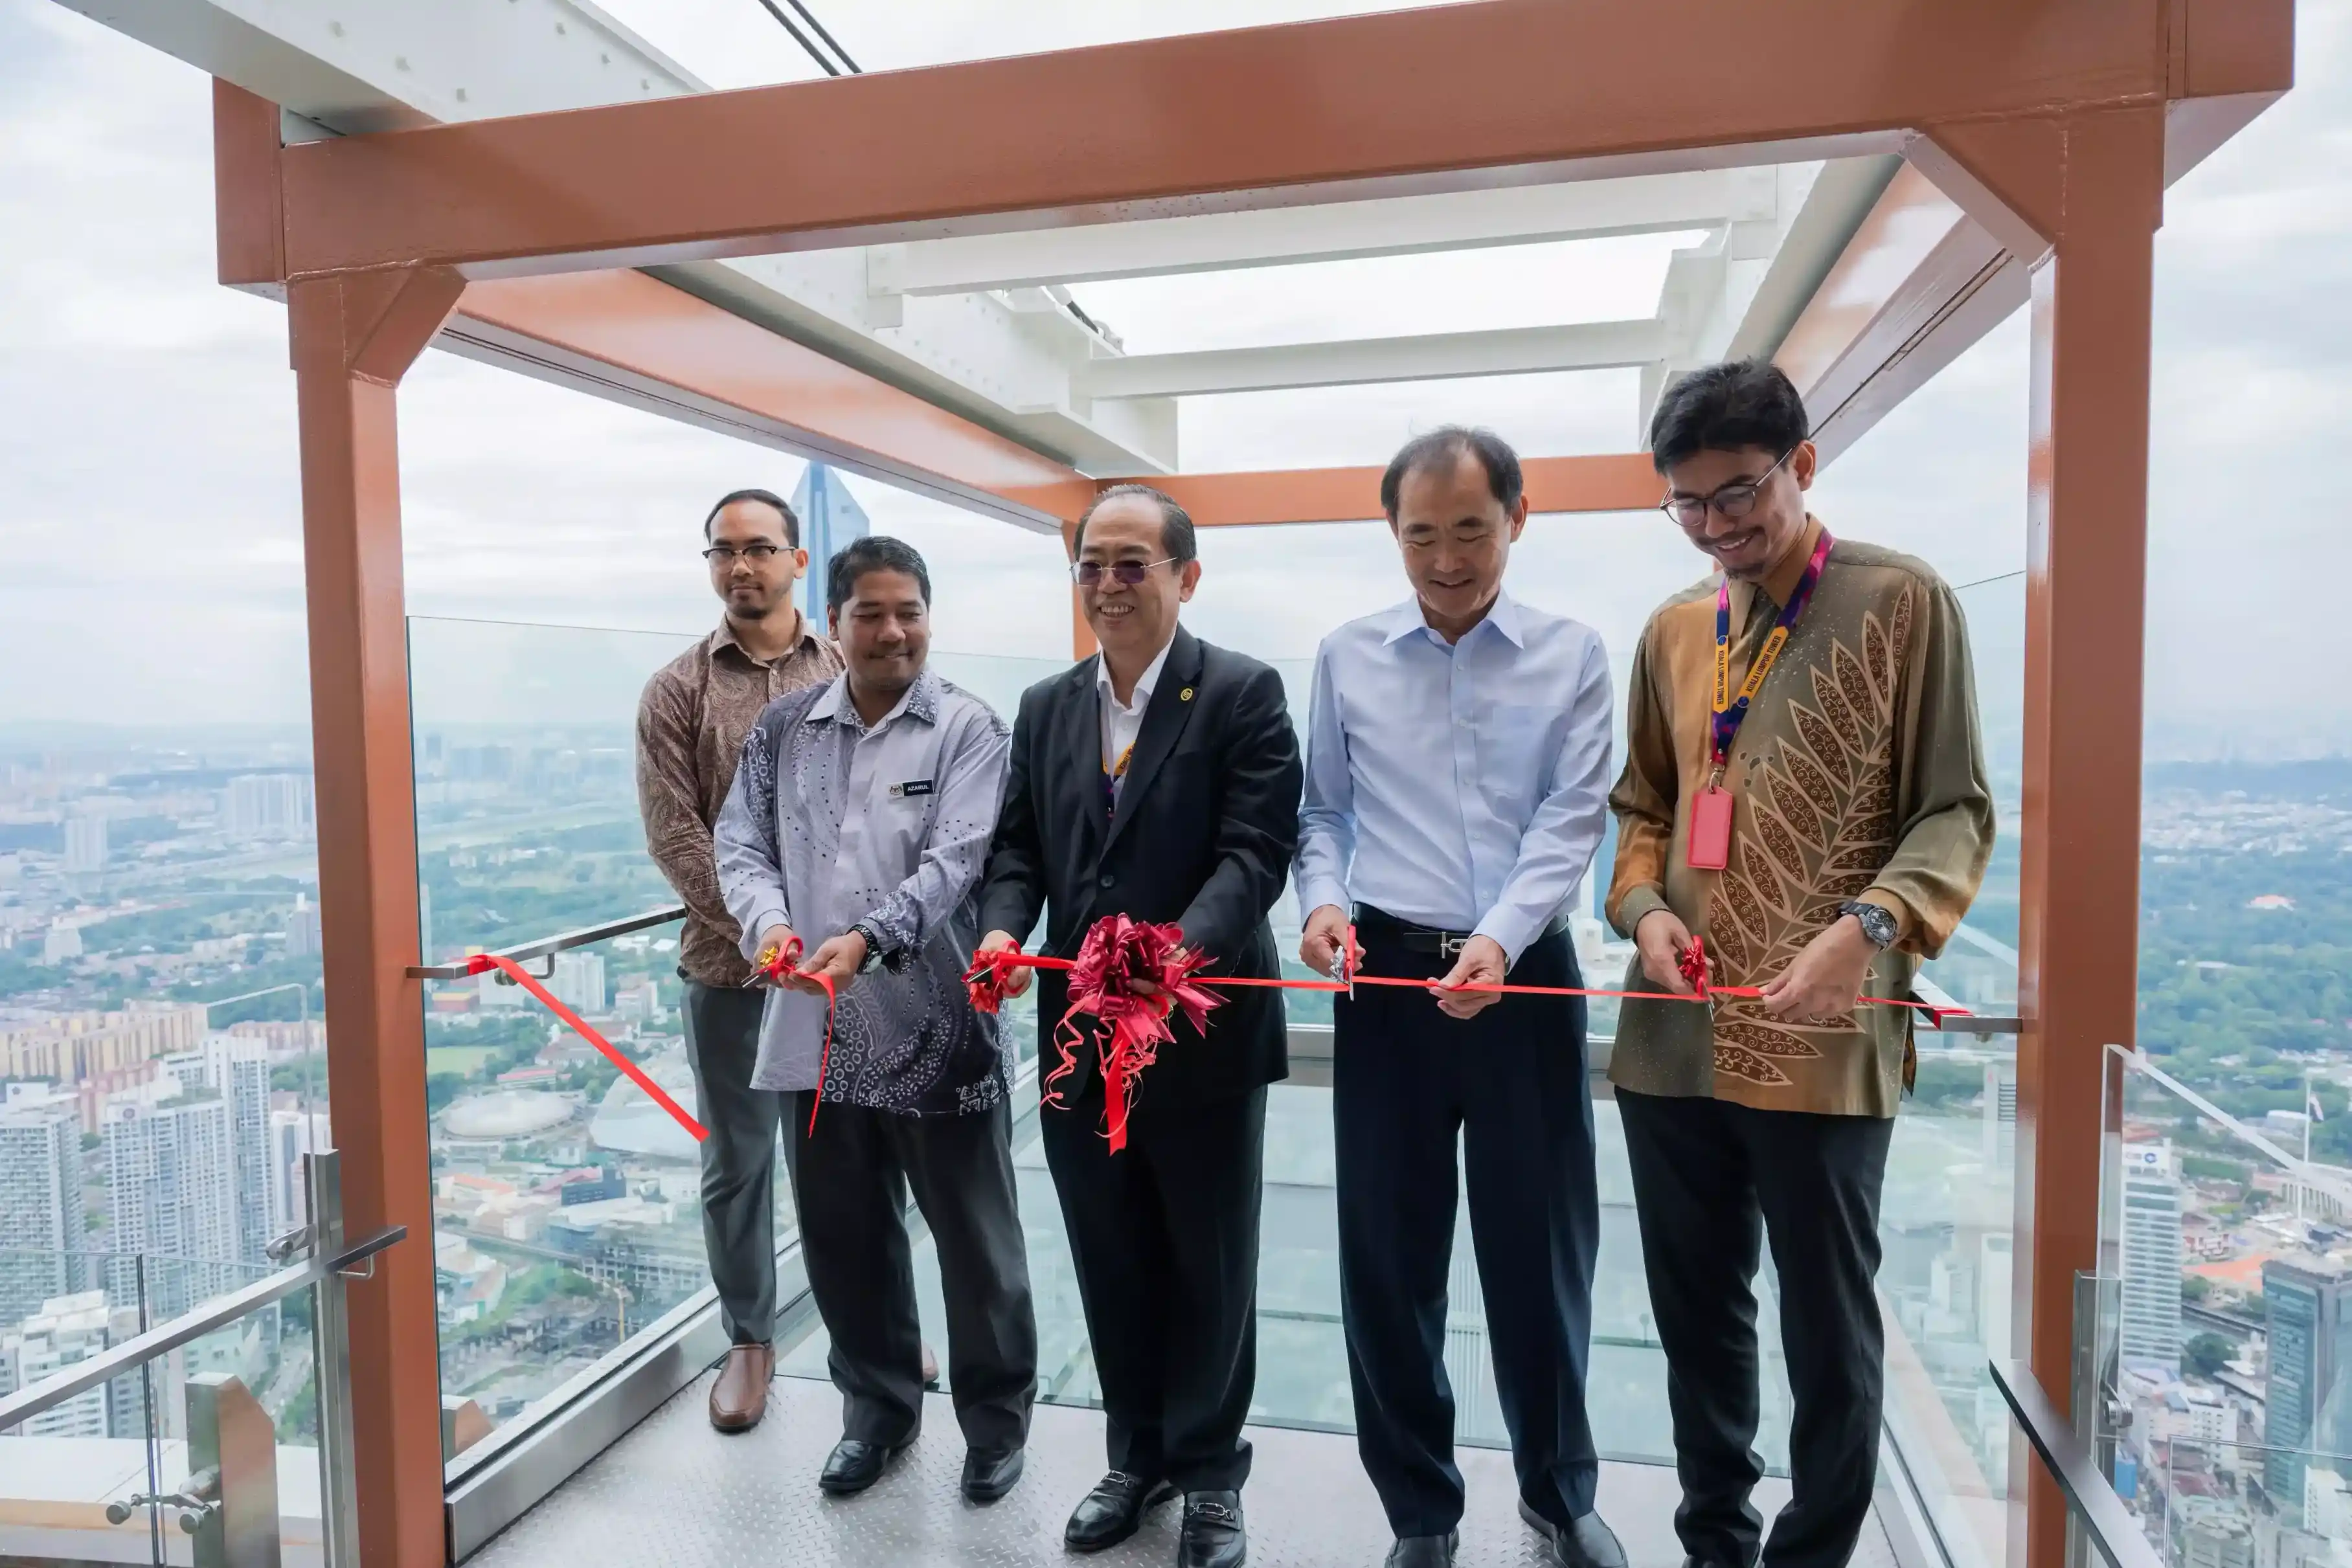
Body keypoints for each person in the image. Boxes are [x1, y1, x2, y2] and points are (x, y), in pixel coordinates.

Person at [1608, 361, 1992, 1568]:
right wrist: (1637, 910)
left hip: (1824, 1041)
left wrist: (1869, 929)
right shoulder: (1676, 628)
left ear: (1804, 464)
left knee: (1830, 1331)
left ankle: (1813, 1554)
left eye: (1740, 493)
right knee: (1697, 1318)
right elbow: (1644, 807)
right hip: (1674, 1034)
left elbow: (1956, 812)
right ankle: (1713, 1539)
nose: (1718, 526)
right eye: (1689, 503)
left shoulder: (1904, 601)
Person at [1294, 428, 1623, 1568]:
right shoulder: (1346, 654)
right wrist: (1324, 905)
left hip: (1525, 976)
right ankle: (1421, 1512)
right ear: (1394, 533)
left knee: (1541, 1249)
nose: (1446, 557)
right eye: (1421, 533)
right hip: (1382, 974)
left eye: (1471, 529)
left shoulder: (1573, 652)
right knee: (1388, 1255)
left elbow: (1572, 820)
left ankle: (1558, 1490)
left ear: (1518, 521)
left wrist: (1494, 941)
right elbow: (1323, 815)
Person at [975, 485, 1302, 1568]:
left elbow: (1254, 855)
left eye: (1133, 564)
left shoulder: (1243, 692)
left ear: (1185, 576)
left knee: (1210, 1259)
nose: (1109, 585)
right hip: (1077, 1037)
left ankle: (1210, 1474)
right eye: (1092, 566)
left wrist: (1172, 953)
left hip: (1200, 1030)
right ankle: (1138, 1452)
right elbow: (1018, 849)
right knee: (1109, 1250)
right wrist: (1004, 933)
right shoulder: (1048, 704)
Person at [714, 535, 1039, 1503]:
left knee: (978, 1247)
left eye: (909, 612)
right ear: (837, 621)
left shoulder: (968, 728)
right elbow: (741, 840)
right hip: (813, 1034)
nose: (893, 631)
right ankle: (878, 1414)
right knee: (845, 1242)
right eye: (871, 613)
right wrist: (769, 922)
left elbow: (960, 861)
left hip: (939, 1030)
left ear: (930, 618)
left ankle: (994, 1425)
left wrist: (864, 937)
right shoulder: (783, 730)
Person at [637, 487, 842, 1432]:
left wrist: (839, 942)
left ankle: (864, 1327)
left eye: (760, 548)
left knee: (843, 1158)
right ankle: (750, 1341)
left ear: (799, 560)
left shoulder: (846, 663)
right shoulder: (677, 689)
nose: (741, 566)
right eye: (723, 551)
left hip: (847, 968)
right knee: (739, 1165)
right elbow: (676, 836)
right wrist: (764, 936)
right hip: (728, 971)